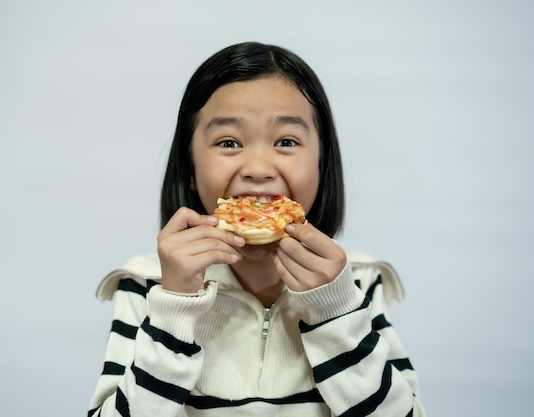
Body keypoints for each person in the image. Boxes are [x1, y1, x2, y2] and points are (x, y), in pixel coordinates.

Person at [87, 41, 426, 417]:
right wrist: (175, 308)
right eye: (229, 142)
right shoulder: (148, 285)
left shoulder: (357, 282)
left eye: (286, 141)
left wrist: (335, 312)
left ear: (321, 165)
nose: (258, 167)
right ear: (190, 172)